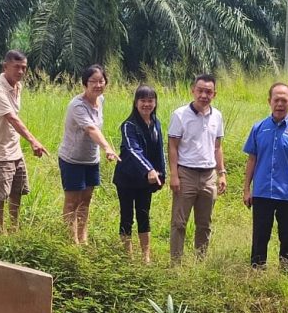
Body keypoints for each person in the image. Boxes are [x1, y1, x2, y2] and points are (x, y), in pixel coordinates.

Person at [242, 83, 288, 269]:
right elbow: (253, 159)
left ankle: (285, 273)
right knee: (260, 235)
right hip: (262, 192)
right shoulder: (259, 128)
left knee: (287, 237)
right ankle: (257, 271)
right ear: (269, 101)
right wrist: (246, 189)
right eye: (276, 100)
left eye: (284, 100)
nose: (280, 104)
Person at [0, 50, 49, 233]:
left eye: (24, 68)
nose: (20, 72)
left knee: (18, 192)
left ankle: (14, 229)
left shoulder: (17, 87)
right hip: (0, 152)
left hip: (15, 150)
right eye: (16, 67)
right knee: (0, 195)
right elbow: (12, 118)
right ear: (5, 67)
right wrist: (33, 141)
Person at [167, 74, 227, 262]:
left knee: (204, 223)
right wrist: (174, 175)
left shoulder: (217, 116)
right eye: (200, 90)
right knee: (179, 222)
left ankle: (199, 261)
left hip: (208, 175)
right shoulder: (180, 115)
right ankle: (175, 263)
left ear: (214, 94)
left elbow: (217, 147)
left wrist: (222, 173)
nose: (203, 95)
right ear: (193, 90)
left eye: (208, 92)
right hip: (186, 173)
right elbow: (173, 146)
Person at [58, 64, 119, 244]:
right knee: (72, 202)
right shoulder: (77, 105)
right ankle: (71, 243)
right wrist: (107, 147)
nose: (98, 85)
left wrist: (102, 150)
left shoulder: (101, 101)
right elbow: (91, 129)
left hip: (91, 159)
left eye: (101, 81)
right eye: (93, 81)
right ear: (85, 83)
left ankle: (83, 239)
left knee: (86, 199)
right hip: (72, 160)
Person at [112, 85, 166, 263]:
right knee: (127, 216)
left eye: (150, 100)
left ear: (155, 103)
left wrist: (161, 174)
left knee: (144, 214)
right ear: (136, 103)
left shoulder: (156, 123)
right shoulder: (128, 125)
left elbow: (160, 150)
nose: (147, 104)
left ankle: (146, 257)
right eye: (143, 100)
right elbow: (133, 150)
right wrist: (149, 169)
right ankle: (127, 257)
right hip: (127, 178)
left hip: (146, 180)